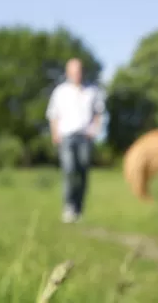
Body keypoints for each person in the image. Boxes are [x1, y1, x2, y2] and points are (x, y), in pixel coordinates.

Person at [46, 58, 106, 223]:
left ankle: (79, 209)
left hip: (85, 137)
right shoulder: (60, 91)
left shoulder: (92, 91)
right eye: (72, 71)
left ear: (83, 72)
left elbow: (99, 113)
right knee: (69, 170)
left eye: (78, 71)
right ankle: (68, 207)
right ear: (68, 73)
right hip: (66, 136)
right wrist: (55, 133)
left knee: (82, 172)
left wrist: (95, 130)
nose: (76, 74)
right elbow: (53, 114)